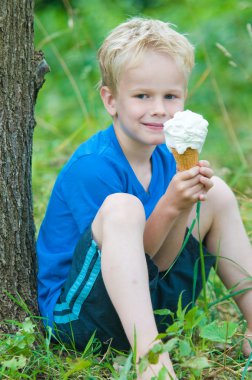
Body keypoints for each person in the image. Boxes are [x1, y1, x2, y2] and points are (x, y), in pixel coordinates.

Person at [36, 17, 252, 379]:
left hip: (143, 306)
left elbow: (157, 265)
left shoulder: (170, 159)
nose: (159, 109)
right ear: (111, 100)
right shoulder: (94, 167)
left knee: (216, 194)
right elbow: (123, 263)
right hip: (80, 317)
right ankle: (149, 361)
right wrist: (171, 205)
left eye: (170, 96)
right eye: (142, 96)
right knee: (124, 207)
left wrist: (182, 206)